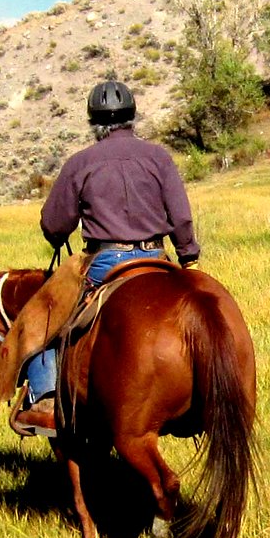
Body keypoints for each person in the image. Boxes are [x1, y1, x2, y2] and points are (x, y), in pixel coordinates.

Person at [13, 80, 200, 435]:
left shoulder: (81, 163)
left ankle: (46, 400)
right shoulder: (158, 157)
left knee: (47, 314)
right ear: (132, 117)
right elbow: (180, 215)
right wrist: (188, 256)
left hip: (106, 262)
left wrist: (56, 235)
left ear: (93, 122)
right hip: (157, 258)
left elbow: (54, 224)